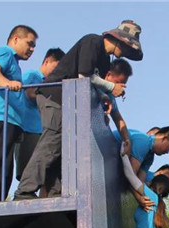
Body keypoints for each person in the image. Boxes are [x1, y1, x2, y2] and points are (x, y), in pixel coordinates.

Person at [14, 20, 142, 200]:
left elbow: (92, 84)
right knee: (51, 143)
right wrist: (111, 87)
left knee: (62, 149)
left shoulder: (105, 60)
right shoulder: (93, 42)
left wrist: (104, 97)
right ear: (120, 41)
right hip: (55, 97)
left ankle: (55, 194)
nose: (127, 54)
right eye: (128, 48)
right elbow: (84, 75)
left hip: (68, 104)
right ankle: (24, 191)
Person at [0, 25, 38, 203]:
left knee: (5, 169)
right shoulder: (4, 52)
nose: (32, 49)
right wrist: (7, 83)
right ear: (16, 39)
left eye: (34, 46)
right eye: (30, 44)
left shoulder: (15, 64)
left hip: (9, 121)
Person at [14, 48, 65, 185]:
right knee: (27, 170)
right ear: (47, 61)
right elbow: (28, 93)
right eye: (56, 67)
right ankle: (23, 193)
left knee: (46, 172)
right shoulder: (33, 75)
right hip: (28, 129)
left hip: (42, 130)